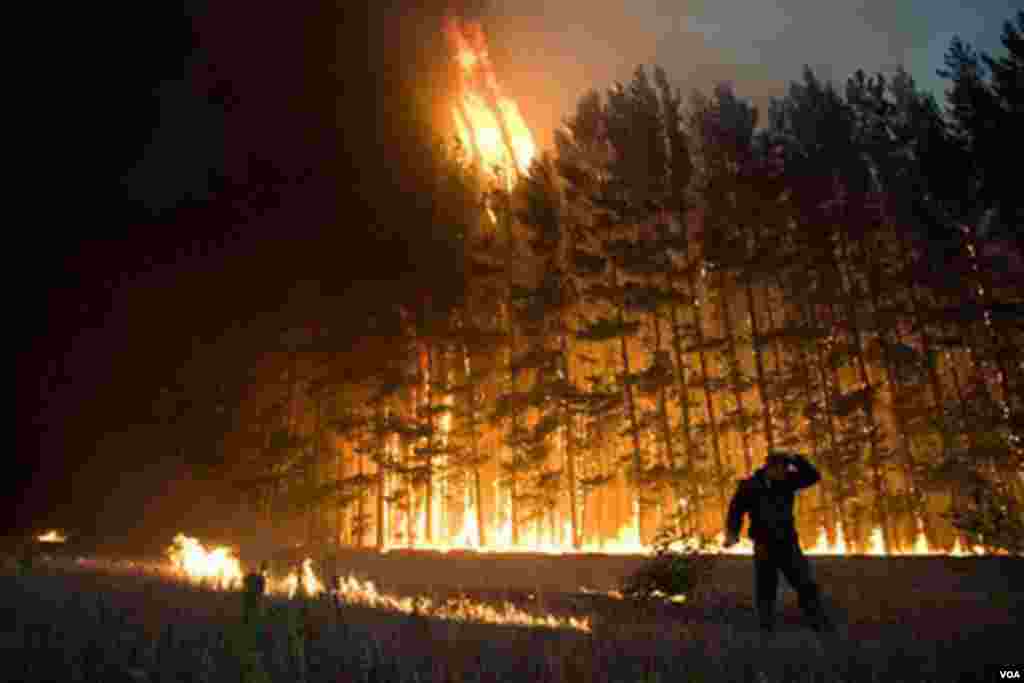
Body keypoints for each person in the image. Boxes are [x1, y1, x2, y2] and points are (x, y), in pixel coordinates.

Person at [724, 450, 835, 634]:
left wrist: (797, 460)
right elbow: (735, 510)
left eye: (786, 468)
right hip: (763, 544)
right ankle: (766, 625)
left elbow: (813, 477)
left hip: (787, 542)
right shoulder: (751, 486)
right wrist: (732, 533)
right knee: (766, 586)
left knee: (804, 582)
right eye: (780, 468)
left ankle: (817, 619)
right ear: (769, 468)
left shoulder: (787, 482)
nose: (783, 472)